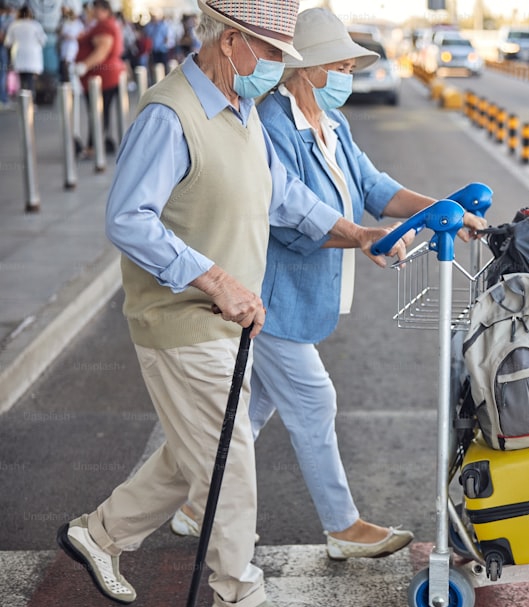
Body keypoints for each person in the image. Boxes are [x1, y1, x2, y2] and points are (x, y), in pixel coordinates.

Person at [56, 0, 407, 607]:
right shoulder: (171, 114)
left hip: (229, 320)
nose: (278, 68)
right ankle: (237, 593)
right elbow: (128, 219)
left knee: (199, 452)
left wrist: (356, 233)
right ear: (231, 44)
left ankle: (98, 533)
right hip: (181, 320)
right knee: (232, 455)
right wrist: (216, 280)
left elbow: (281, 195)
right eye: (273, 54)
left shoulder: (242, 109)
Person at [169, 7, 487, 562]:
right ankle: (342, 527)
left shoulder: (332, 124)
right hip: (268, 295)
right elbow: (290, 216)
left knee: (256, 406)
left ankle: (197, 502)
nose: (348, 75)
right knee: (314, 400)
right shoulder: (270, 124)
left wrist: (445, 209)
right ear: (308, 68)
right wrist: (364, 237)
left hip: (301, 297)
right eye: (339, 65)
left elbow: (374, 186)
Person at [74, 0, 125, 157]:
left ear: (103, 9)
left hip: (102, 77)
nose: (93, 11)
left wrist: (84, 65)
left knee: (97, 112)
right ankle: (98, 143)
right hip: (105, 76)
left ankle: (93, 146)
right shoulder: (104, 24)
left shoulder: (104, 26)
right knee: (101, 112)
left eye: (95, 8)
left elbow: (102, 49)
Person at [3, 6, 45, 100]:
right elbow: (43, 40)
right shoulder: (35, 25)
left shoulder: (14, 25)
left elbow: (7, 42)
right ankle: (30, 101)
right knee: (30, 79)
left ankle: (24, 101)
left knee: (22, 80)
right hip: (33, 56)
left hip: (19, 55)